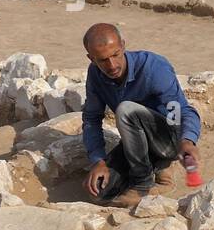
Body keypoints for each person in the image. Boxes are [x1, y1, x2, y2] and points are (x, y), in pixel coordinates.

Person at [80, 23, 201, 208]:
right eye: (103, 60)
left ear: (123, 46)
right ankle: (152, 172)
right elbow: (91, 119)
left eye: (115, 55)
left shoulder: (153, 67)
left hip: (166, 138)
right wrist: (98, 160)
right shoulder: (95, 75)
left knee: (125, 110)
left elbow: (181, 110)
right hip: (136, 144)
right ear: (91, 59)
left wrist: (186, 140)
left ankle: (144, 181)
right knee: (99, 192)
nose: (112, 65)